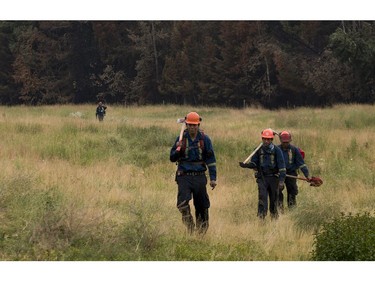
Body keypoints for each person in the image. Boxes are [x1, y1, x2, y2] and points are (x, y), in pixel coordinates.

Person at [170, 111, 217, 235]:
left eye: (194, 125)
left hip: (199, 177)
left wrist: (213, 178)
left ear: (198, 125)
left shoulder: (205, 139)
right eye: (190, 125)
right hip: (184, 176)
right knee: (182, 204)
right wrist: (177, 149)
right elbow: (172, 158)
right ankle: (189, 227)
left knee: (202, 206)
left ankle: (201, 233)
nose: (192, 127)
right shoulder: (180, 139)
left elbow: (211, 160)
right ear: (186, 125)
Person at [239, 128, 286, 220]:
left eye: (268, 139)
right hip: (262, 178)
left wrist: (281, 181)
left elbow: (282, 167)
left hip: (274, 178)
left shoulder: (277, 151)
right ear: (262, 139)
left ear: (272, 140)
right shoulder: (257, 150)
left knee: (273, 200)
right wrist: (247, 165)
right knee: (262, 198)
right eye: (264, 139)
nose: (266, 141)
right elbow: (254, 164)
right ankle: (261, 218)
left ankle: (274, 218)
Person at [277, 131, 310, 210]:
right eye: (284, 142)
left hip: (291, 173)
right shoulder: (276, 149)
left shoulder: (295, 150)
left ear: (290, 140)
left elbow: (301, 164)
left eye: (287, 142)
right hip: (279, 174)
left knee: (292, 192)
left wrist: (307, 176)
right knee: (277, 191)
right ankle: (279, 210)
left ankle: (292, 210)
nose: (285, 144)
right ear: (281, 141)